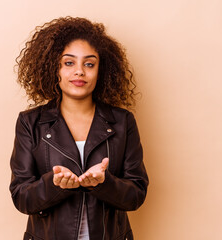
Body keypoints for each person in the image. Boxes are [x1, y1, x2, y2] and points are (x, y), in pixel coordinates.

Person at [9, 16, 149, 240]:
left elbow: (136, 194)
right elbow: (21, 197)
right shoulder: (30, 123)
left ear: (101, 70)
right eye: (69, 63)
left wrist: (105, 183)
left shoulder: (123, 122)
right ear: (54, 68)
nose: (80, 71)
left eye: (89, 64)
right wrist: (54, 184)